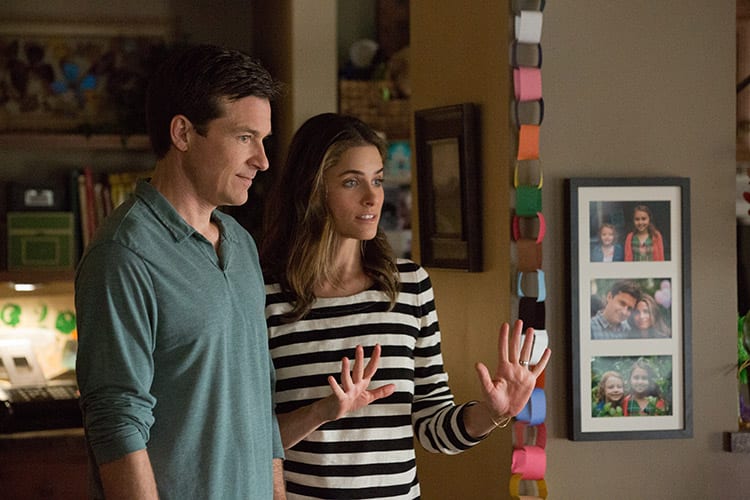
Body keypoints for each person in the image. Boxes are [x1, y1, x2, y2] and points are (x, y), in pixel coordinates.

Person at [260, 113, 551, 499]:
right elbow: (249, 438)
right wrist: (321, 412)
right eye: (352, 182)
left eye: (378, 180)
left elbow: (432, 426)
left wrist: (492, 414)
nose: (373, 197)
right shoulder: (266, 295)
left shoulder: (409, 286)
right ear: (312, 189)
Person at [75, 44, 286, 499]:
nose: (262, 160)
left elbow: (259, 399)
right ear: (183, 133)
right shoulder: (123, 253)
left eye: (263, 140)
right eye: (245, 138)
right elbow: (116, 422)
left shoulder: (242, 244)